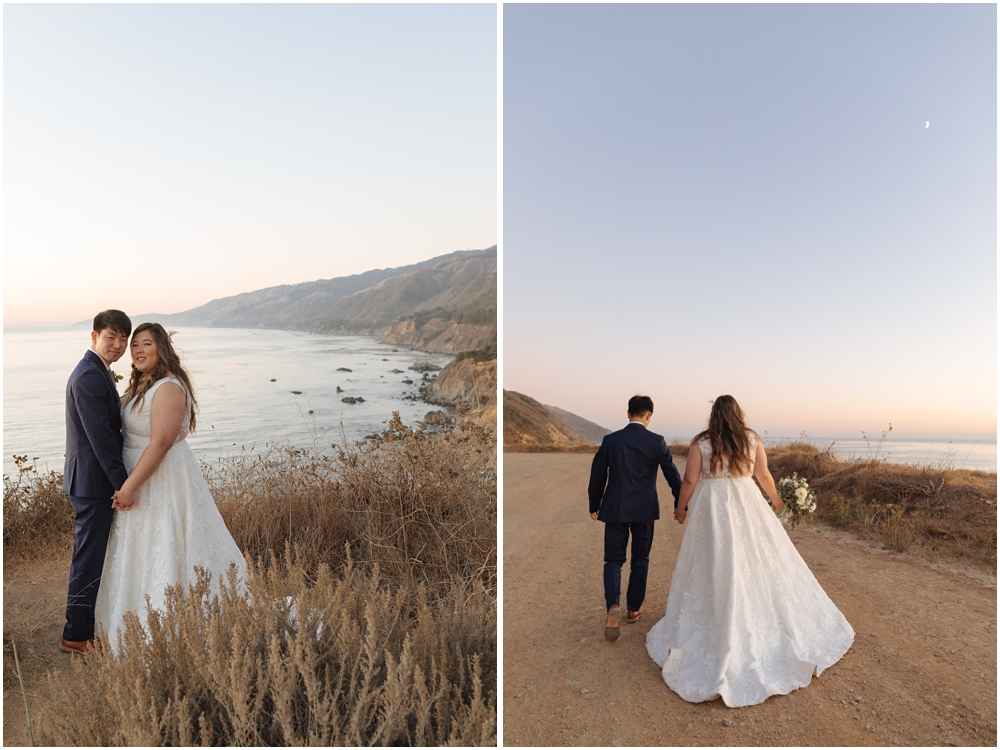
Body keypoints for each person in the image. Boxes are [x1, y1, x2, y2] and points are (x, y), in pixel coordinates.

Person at [645, 395, 854, 707]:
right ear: (737, 414)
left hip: (712, 507)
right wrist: (778, 502)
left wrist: (680, 507)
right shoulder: (751, 438)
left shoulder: (702, 442)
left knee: (713, 563)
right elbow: (764, 475)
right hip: (746, 501)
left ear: (713, 415)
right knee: (757, 560)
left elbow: (689, 479)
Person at [94, 322, 247, 650]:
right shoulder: (145, 383)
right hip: (142, 474)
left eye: (145, 344)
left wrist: (129, 487)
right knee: (142, 549)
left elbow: (161, 442)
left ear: (162, 347)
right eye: (134, 345)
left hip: (161, 478)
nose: (137, 350)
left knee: (166, 544)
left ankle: (172, 626)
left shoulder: (169, 387)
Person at [61, 310, 133, 654]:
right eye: (111, 337)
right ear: (94, 336)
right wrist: (123, 484)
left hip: (91, 479)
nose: (118, 345)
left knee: (90, 555)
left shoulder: (98, 371)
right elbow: (100, 438)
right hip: (93, 483)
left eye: (124, 339)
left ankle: (84, 626)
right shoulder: (89, 376)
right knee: (87, 558)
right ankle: (76, 634)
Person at [588, 395, 682, 642]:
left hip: (615, 508)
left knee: (613, 560)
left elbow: (597, 474)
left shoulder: (611, 440)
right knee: (641, 559)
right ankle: (633, 609)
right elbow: (672, 474)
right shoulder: (657, 441)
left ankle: (612, 607)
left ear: (628, 413)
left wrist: (594, 504)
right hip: (644, 510)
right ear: (649, 415)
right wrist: (679, 502)